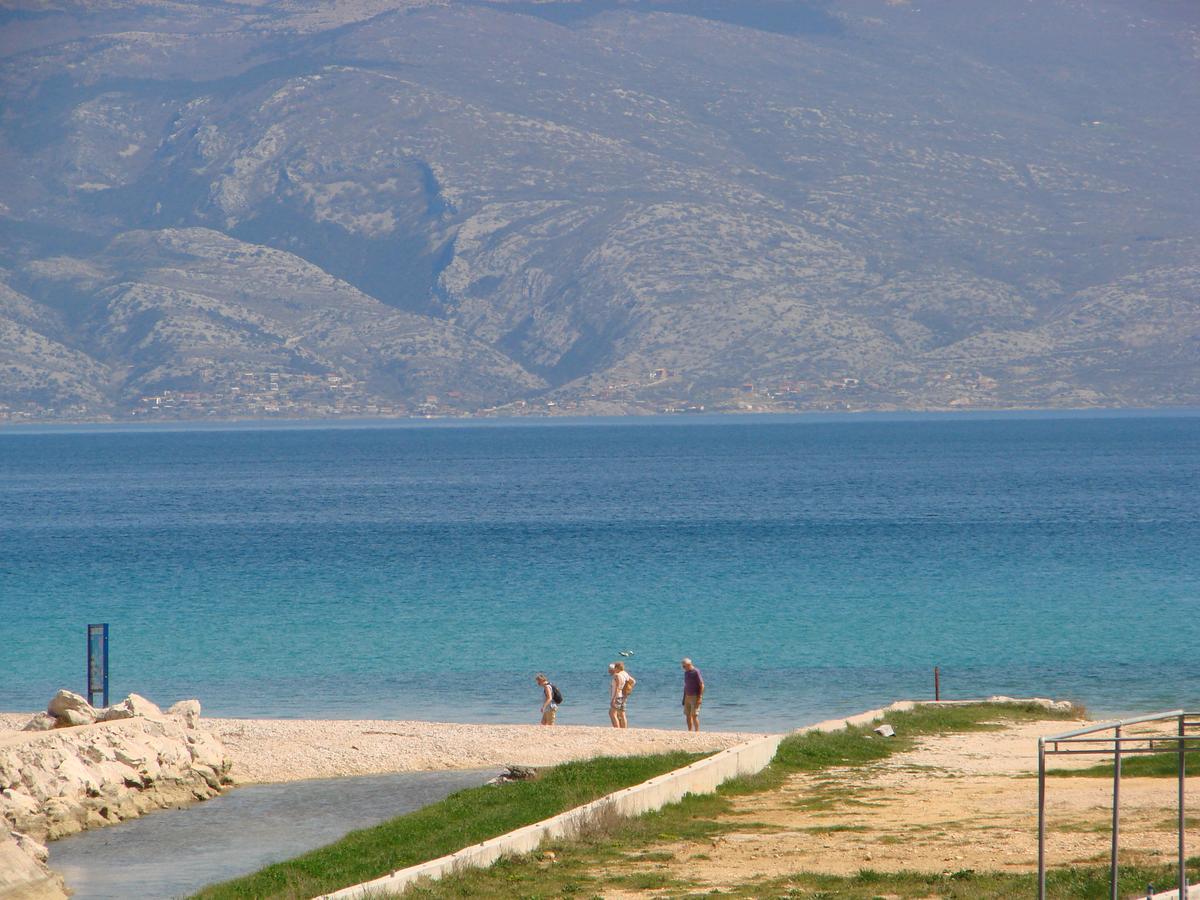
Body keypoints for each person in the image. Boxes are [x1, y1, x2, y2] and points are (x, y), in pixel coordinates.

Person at [681, 657, 704, 731]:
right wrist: (684, 698)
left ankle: (697, 731)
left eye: (684, 666)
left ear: (689, 665)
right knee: (687, 715)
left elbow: (702, 685)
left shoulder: (696, 671)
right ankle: (690, 731)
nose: (683, 668)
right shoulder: (686, 673)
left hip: (695, 696)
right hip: (687, 696)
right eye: (682, 666)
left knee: (694, 715)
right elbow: (686, 685)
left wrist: (700, 697)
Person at [610, 661, 634, 728]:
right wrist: (627, 691)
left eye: (615, 668)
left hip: (617, 696)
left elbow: (617, 688)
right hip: (623, 696)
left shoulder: (617, 675)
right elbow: (633, 681)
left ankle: (617, 728)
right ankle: (624, 729)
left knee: (612, 713)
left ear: (617, 668)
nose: (614, 669)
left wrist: (613, 699)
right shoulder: (625, 674)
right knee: (622, 714)